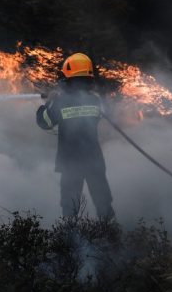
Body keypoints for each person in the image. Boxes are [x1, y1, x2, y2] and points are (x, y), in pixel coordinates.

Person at [36, 52, 114, 219]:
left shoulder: (61, 102)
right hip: (94, 159)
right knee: (103, 202)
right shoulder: (95, 100)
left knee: (70, 206)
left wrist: (47, 103)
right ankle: (110, 237)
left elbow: (45, 122)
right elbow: (105, 113)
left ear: (68, 78)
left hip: (71, 161)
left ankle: (71, 241)